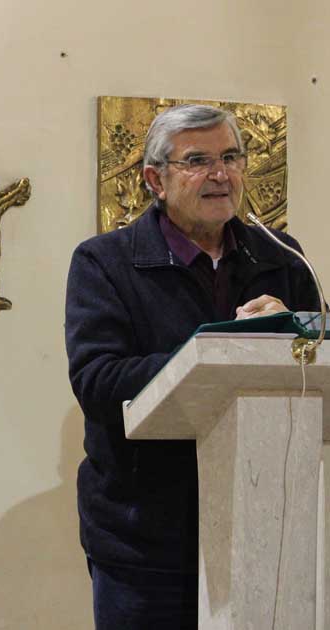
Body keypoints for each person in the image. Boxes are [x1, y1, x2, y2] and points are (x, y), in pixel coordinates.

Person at [65, 104, 319, 629]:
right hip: (146, 538)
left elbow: (320, 357)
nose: (220, 174)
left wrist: (292, 327)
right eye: (198, 161)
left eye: (231, 157)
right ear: (155, 180)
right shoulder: (104, 262)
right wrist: (215, 351)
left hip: (270, 522)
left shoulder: (282, 256)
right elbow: (97, 381)